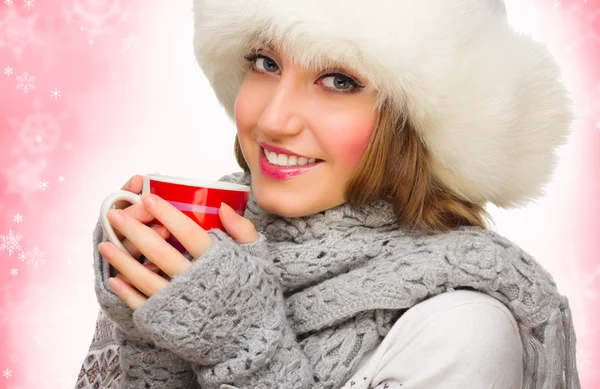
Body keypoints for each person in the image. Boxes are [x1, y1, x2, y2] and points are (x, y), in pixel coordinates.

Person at [75, 0, 582, 388]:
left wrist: (247, 350)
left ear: (418, 123)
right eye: (265, 62)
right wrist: (150, 334)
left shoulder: (464, 326)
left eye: (339, 80)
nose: (273, 119)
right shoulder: (210, 266)